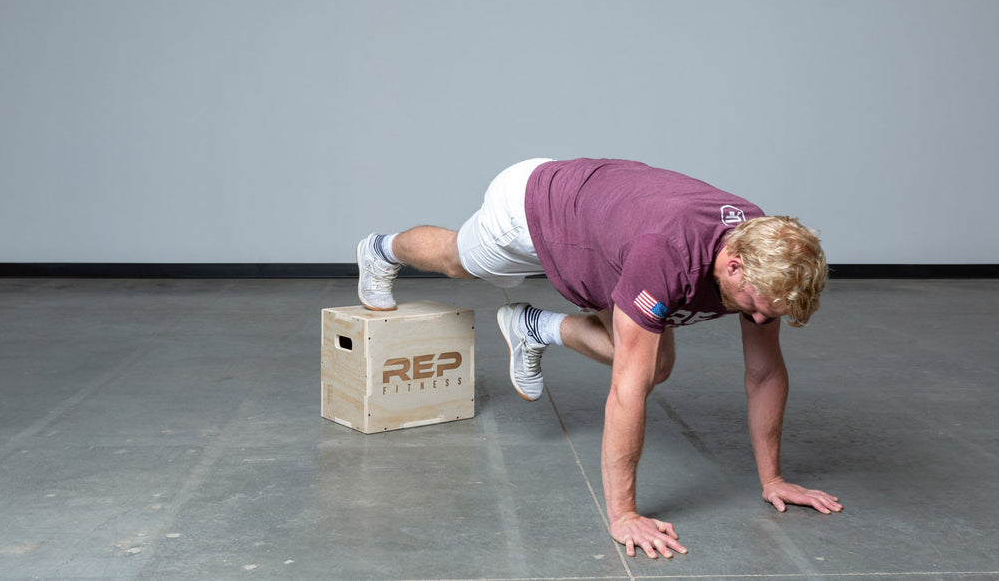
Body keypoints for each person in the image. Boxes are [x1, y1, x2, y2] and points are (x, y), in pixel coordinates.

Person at [356, 157, 842, 559]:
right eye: (755, 308)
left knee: (658, 366)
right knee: (456, 261)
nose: (759, 322)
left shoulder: (764, 257)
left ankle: (534, 328)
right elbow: (626, 394)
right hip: (531, 210)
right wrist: (624, 514)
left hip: (602, 232)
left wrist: (773, 479)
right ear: (733, 264)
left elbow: (763, 373)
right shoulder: (666, 255)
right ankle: (380, 250)